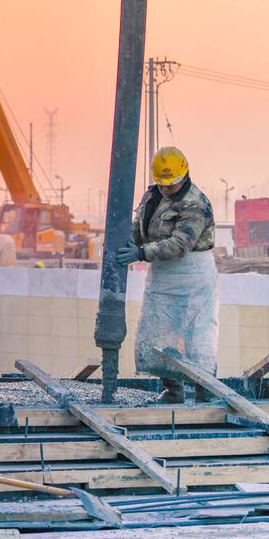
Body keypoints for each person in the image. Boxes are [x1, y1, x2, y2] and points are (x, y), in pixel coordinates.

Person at [117, 147, 217, 404]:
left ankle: (205, 393)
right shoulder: (152, 196)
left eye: (171, 185)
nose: (166, 189)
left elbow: (181, 244)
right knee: (160, 332)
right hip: (163, 273)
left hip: (192, 274)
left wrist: (140, 253)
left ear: (184, 174)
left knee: (197, 334)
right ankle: (173, 390)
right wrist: (126, 242)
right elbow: (138, 225)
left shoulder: (196, 203)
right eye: (162, 184)